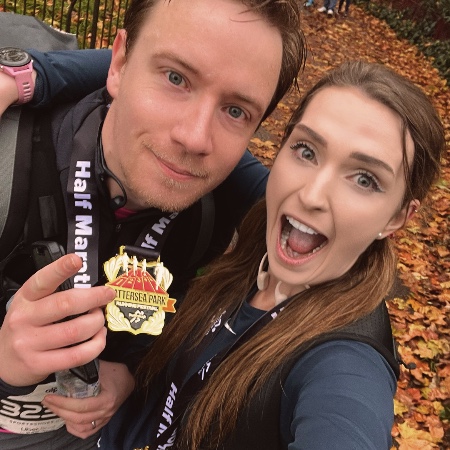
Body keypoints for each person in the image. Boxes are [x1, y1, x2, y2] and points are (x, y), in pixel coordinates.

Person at [90, 60, 443, 449]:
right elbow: (147, 62)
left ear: (397, 217)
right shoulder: (266, 220)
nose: (311, 194)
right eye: (306, 151)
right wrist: (31, 75)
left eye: (364, 179)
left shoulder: (346, 362)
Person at [0, 0, 305, 448]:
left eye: (236, 111)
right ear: (119, 63)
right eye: (175, 78)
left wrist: (132, 372)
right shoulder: (8, 162)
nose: (194, 138)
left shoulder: (209, 217)